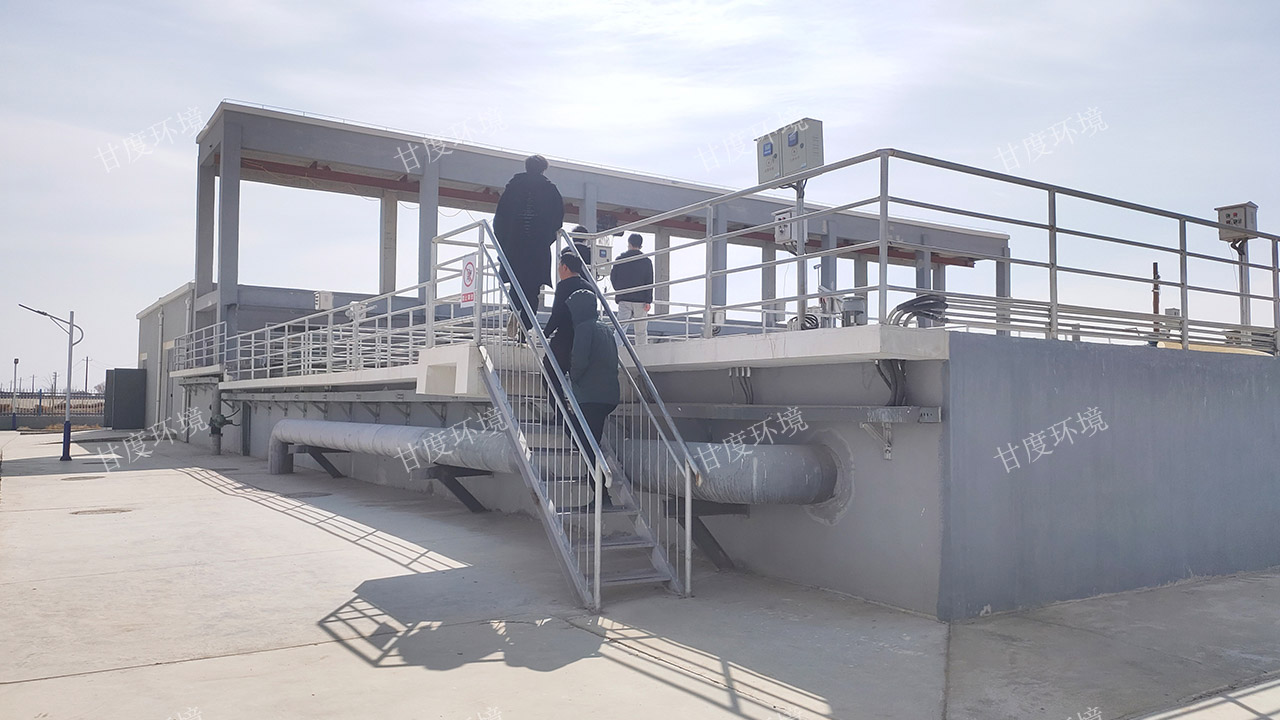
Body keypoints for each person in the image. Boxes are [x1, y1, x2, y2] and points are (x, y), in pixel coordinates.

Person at [492, 155, 564, 331]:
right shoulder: (550, 190)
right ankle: (525, 327)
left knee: (515, 282)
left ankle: (515, 311)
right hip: (537, 248)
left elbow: (499, 220)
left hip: (514, 246)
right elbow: (558, 220)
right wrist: (546, 239)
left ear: (526, 167)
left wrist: (505, 242)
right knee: (533, 289)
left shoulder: (512, 188)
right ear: (543, 169)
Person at [566, 285, 620, 506]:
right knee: (590, 442)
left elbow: (579, 361)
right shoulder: (605, 329)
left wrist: (572, 377)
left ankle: (601, 496)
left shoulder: (584, 329)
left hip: (590, 396)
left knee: (587, 445)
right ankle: (600, 493)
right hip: (609, 395)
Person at [609, 233, 654, 345]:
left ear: (629, 243)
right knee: (641, 331)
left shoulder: (620, 259)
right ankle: (642, 351)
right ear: (641, 245)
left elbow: (613, 277)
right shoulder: (646, 261)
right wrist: (648, 300)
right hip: (641, 300)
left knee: (620, 328)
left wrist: (619, 290)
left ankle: (617, 350)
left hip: (624, 298)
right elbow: (649, 281)